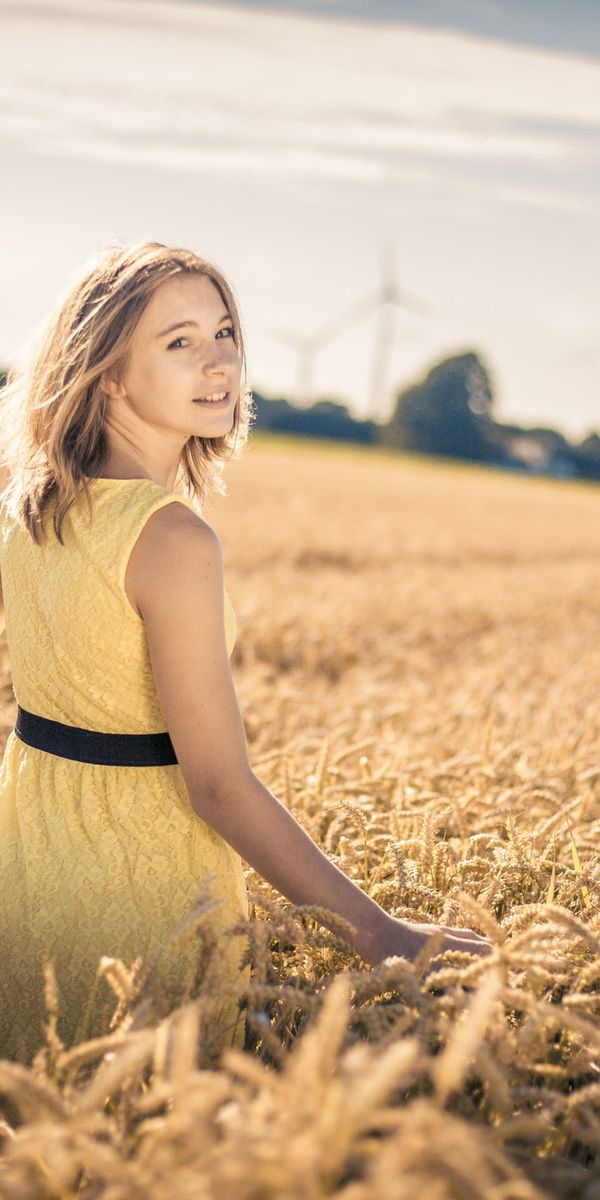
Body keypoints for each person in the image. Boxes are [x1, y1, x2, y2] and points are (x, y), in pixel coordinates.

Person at [0, 241, 489, 1063]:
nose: (220, 359)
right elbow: (219, 785)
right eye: (179, 341)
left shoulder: (32, 508)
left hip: (26, 865)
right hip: (142, 890)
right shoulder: (171, 538)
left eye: (224, 330)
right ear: (108, 371)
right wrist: (379, 931)